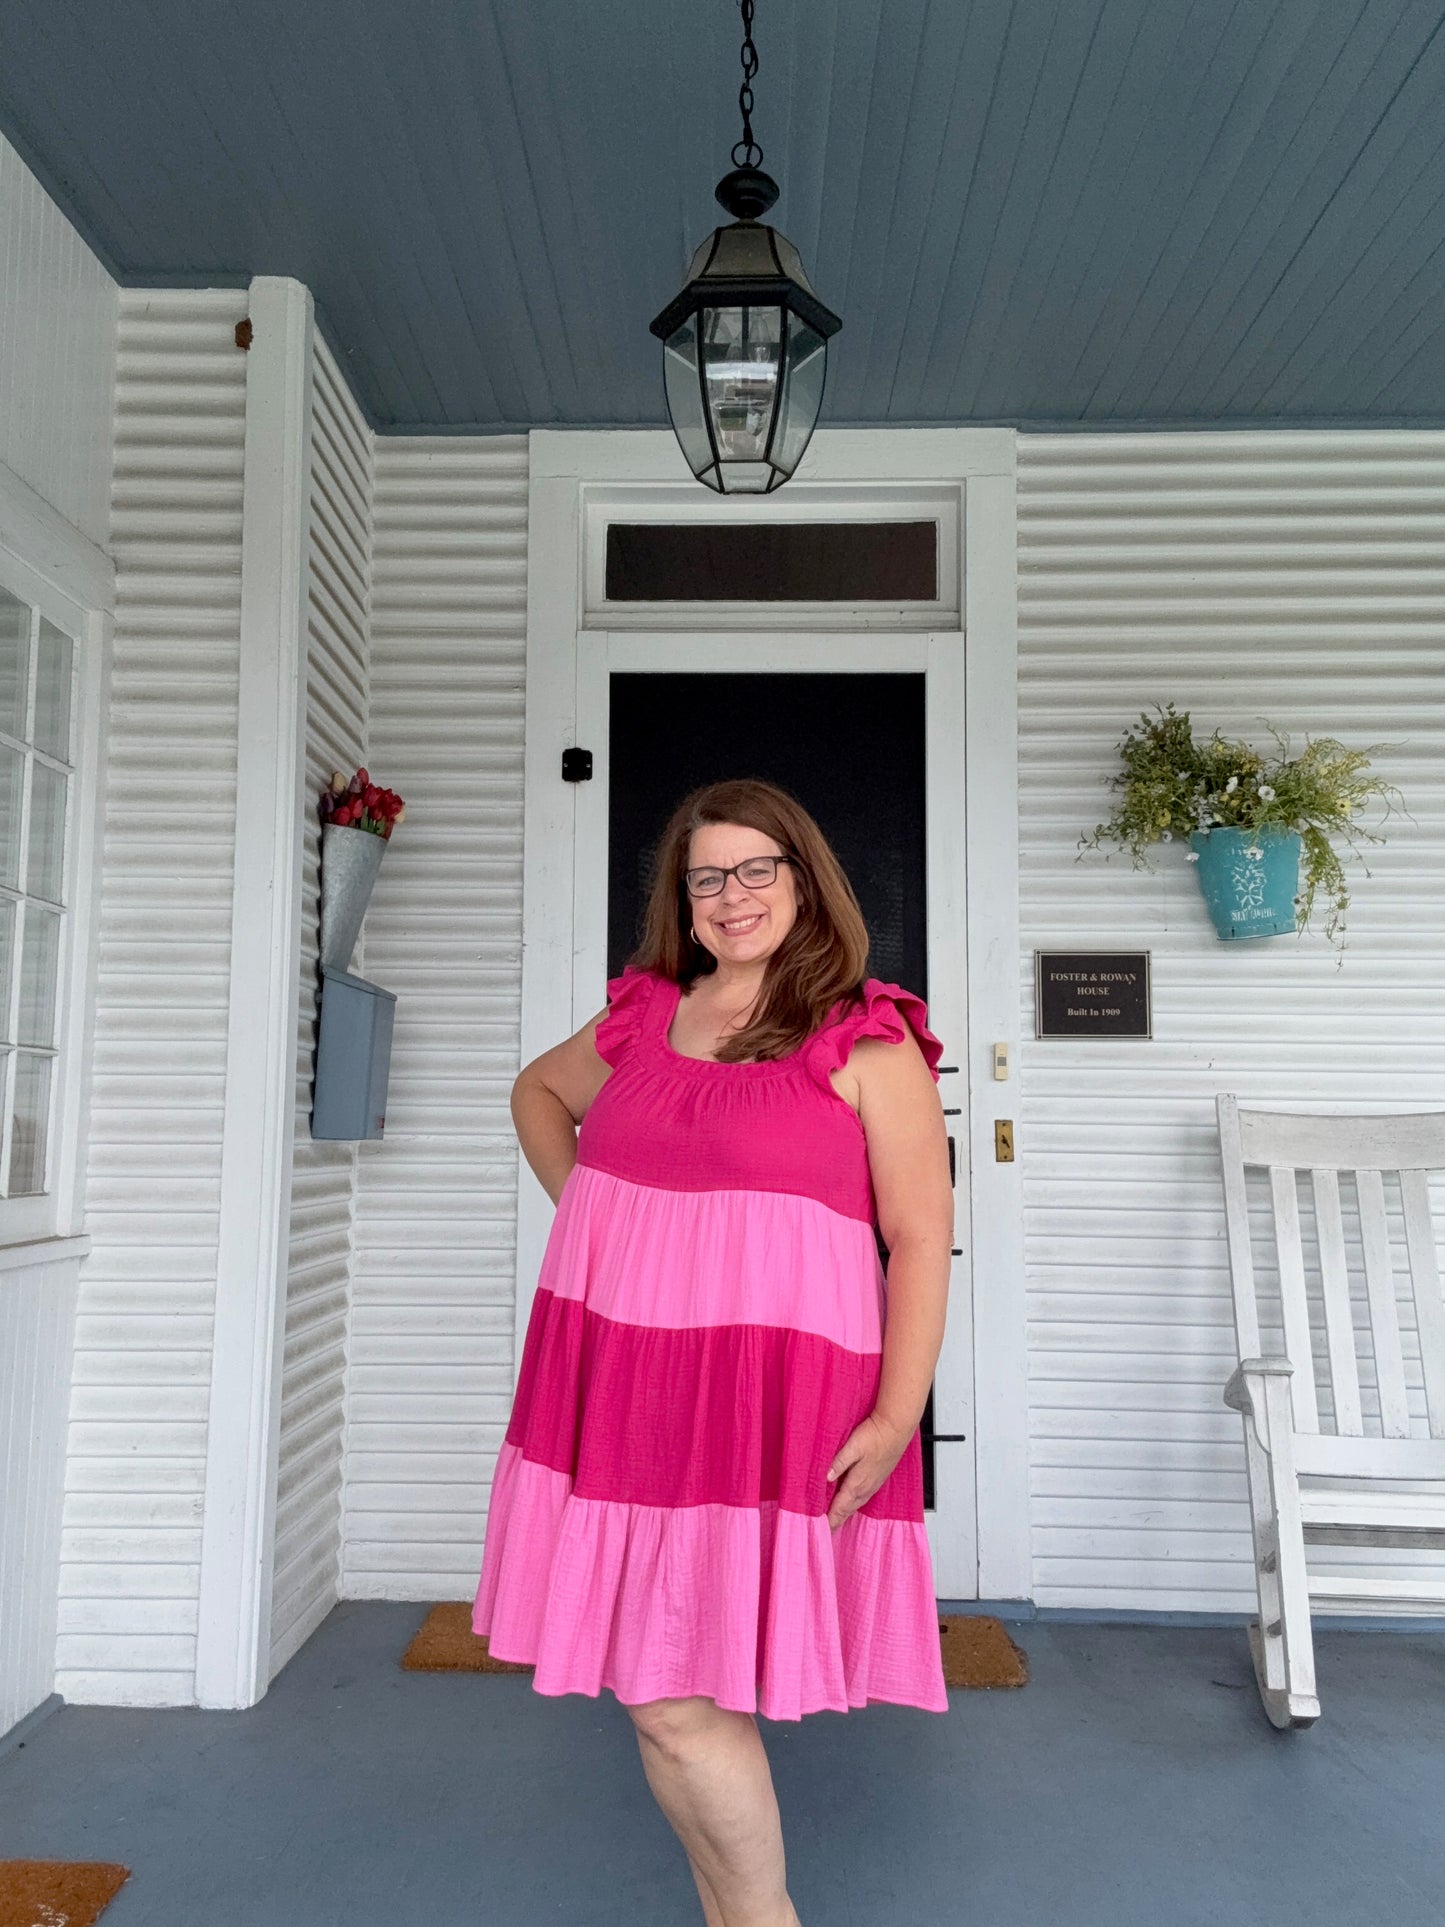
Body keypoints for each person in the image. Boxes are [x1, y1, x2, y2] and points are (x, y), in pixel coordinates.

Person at [473, 775, 954, 1927]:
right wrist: (603, 1221)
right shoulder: (647, 1015)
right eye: (706, 877)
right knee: (659, 1691)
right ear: (680, 901)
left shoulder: (863, 1035)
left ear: (802, 879)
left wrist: (894, 1418)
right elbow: (538, 1095)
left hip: (771, 1398)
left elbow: (919, 1235)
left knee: (674, 1694)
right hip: (628, 1382)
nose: (731, 896)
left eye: (755, 869)